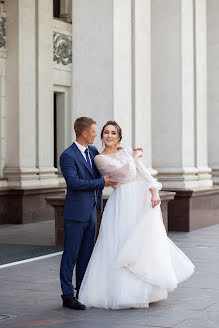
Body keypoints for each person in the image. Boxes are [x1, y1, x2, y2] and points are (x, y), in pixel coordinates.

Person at [79, 121, 195, 309]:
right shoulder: (100, 159)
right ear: (102, 136)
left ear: (119, 136)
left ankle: (145, 292)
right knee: (121, 242)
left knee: (142, 242)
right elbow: (124, 174)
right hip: (122, 201)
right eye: (106, 132)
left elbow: (142, 172)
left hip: (139, 199)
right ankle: (121, 293)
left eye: (113, 133)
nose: (109, 136)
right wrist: (134, 156)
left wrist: (154, 190)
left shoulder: (126, 152)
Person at [59, 117, 118, 310]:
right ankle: (67, 295)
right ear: (84, 133)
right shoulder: (67, 156)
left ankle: (81, 291)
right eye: (94, 131)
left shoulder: (93, 151)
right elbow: (74, 183)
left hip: (92, 211)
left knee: (86, 254)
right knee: (71, 254)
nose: (96, 134)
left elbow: (107, 167)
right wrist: (103, 183)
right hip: (75, 214)